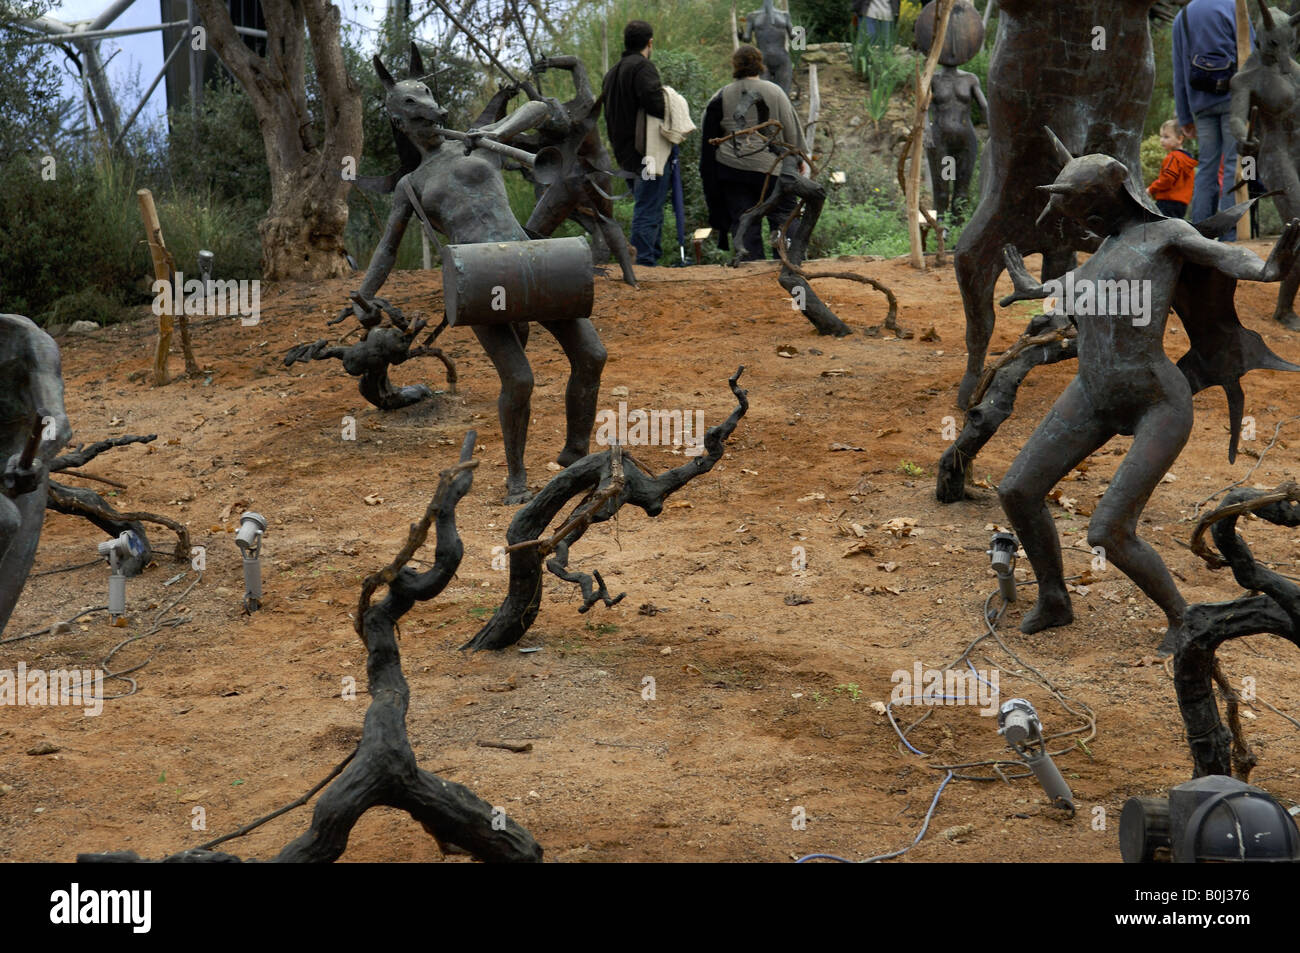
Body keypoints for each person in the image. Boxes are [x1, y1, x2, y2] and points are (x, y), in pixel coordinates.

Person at [700, 44, 806, 261]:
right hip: (772, 168)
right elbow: (790, 127)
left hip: (733, 169)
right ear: (760, 64)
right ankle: (789, 263)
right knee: (784, 218)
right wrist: (799, 158)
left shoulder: (721, 95)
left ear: (735, 66)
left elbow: (708, 135)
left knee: (745, 219)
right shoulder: (775, 91)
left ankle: (751, 270)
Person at [1173, 0, 1252, 238]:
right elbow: (1252, 53)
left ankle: (1199, 234)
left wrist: (1184, 115)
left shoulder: (1183, 16)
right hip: (1234, 101)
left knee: (1206, 166)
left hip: (1200, 104)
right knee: (1232, 165)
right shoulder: (1235, 6)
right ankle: (1230, 234)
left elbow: (1179, 69)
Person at [602, 20, 669, 265]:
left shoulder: (612, 73)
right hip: (647, 154)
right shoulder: (642, 67)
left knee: (649, 204)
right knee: (648, 207)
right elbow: (655, 103)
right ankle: (644, 263)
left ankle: (651, 260)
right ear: (649, 42)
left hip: (625, 155)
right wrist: (673, 104)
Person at [1148, 119, 1197, 218]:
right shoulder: (1188, 160)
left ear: (1180, 139)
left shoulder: (1173, 157)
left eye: (1166, 137)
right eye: (1161, 136)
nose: (1162, 140)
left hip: (1167, 201)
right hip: (1182, 204)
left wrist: (1151, 189)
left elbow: (1167, 179)